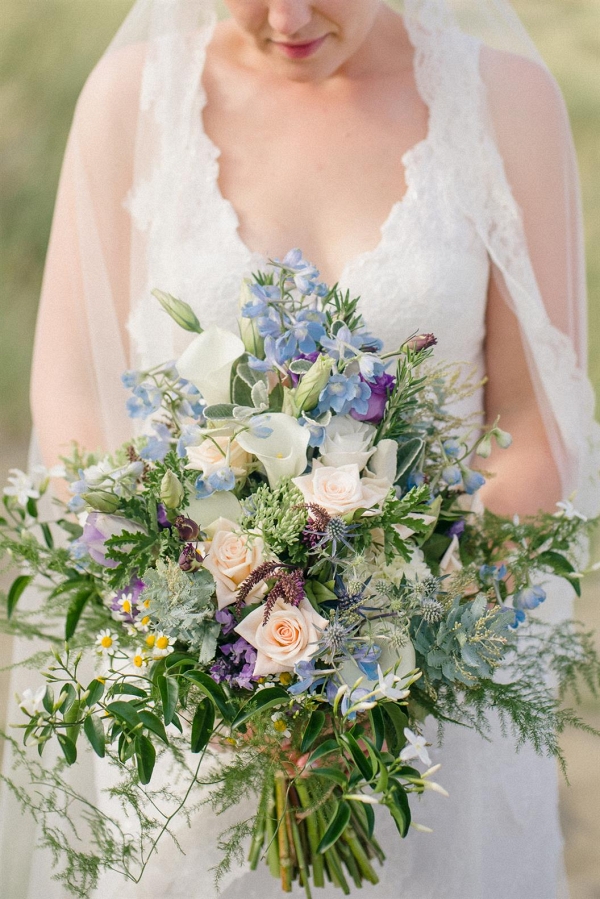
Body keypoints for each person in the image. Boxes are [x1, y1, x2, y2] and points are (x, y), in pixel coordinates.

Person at [2, 1, 598, 897]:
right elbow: (77, 401)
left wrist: (379, 604)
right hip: (200, 714)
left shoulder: (505, 102)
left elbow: (536, 427)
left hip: (425, 710)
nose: (286, 17)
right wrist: (210, 606)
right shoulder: (134, 99)